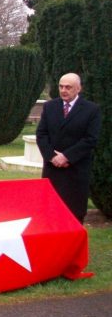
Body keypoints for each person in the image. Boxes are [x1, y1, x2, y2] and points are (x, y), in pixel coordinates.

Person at [36, 72, 101, 223]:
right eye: (61, 86)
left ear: (78, 88)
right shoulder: (49, 107)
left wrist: (66, 157)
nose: (63, 90)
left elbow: (90, 139)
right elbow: (42, 134)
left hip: (76, 171)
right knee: (50, 213)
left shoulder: (91, 110)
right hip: (52, 170)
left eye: (68, 87)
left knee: (73, 214)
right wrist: (52, 156)